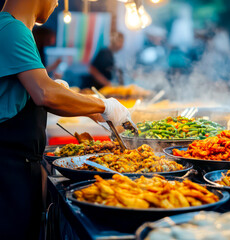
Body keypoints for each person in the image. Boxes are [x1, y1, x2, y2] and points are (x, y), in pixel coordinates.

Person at [0, 0, 133, 239]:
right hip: (7, 170)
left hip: (16, 167)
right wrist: (105, 105)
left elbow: (36, 91)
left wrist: (88, 108)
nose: (57, 4)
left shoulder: (13, 28)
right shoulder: (12, 29)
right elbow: (45, 94)